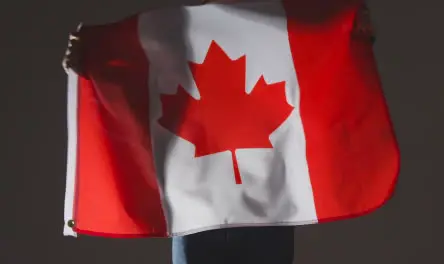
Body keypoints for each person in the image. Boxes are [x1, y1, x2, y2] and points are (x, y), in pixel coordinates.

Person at [63, 1, 374, 263]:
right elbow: (133, 90)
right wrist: (93, 61)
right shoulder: (174, 35)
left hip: (262, 205)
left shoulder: (275, 29)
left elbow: (318, 62)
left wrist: (348, 35)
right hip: (199, 208)